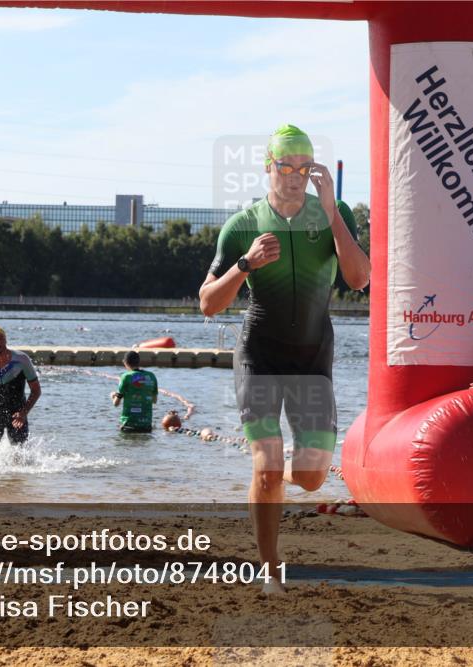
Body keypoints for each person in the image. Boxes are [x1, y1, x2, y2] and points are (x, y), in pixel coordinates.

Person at [198, 124, 370, 594]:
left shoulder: (334, 214)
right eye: (285, 167)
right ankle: (271, 568)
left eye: (303, 168)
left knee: (312, 478)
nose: (294, 177)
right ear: (267, 166)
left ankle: (273, 478)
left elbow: (359, 279)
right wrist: (245, 264)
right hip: (261, 353)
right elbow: (208, 304)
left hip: (313, 357)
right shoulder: (244, 225)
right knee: (267, 464)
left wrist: (332, 214)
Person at [111, 351, 158, 433]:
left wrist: (113, 396)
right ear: (139, 362)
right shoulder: (151, 376)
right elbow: (154, 401)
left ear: (125, 362)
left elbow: (116, 404)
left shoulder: (126, 376)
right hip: (146, 426)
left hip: (128, 425)